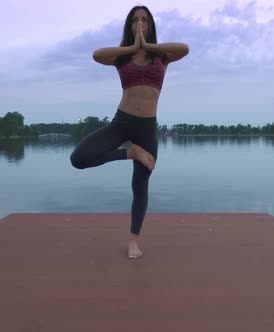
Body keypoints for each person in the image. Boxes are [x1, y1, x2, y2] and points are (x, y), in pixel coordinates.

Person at [70, 5, 189, 259]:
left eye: (144, 20)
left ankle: (134, 241)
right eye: (135, 20)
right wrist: (133, 48)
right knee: (78, 158)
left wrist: (148, 46)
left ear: (150, 25)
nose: (140, 24)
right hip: (122, 122)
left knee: (140, 186)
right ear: (129, 26)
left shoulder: (162, 57)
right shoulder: (122, 57)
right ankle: (130, 153)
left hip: (147, 128)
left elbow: (184, 49)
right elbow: (97, 54)